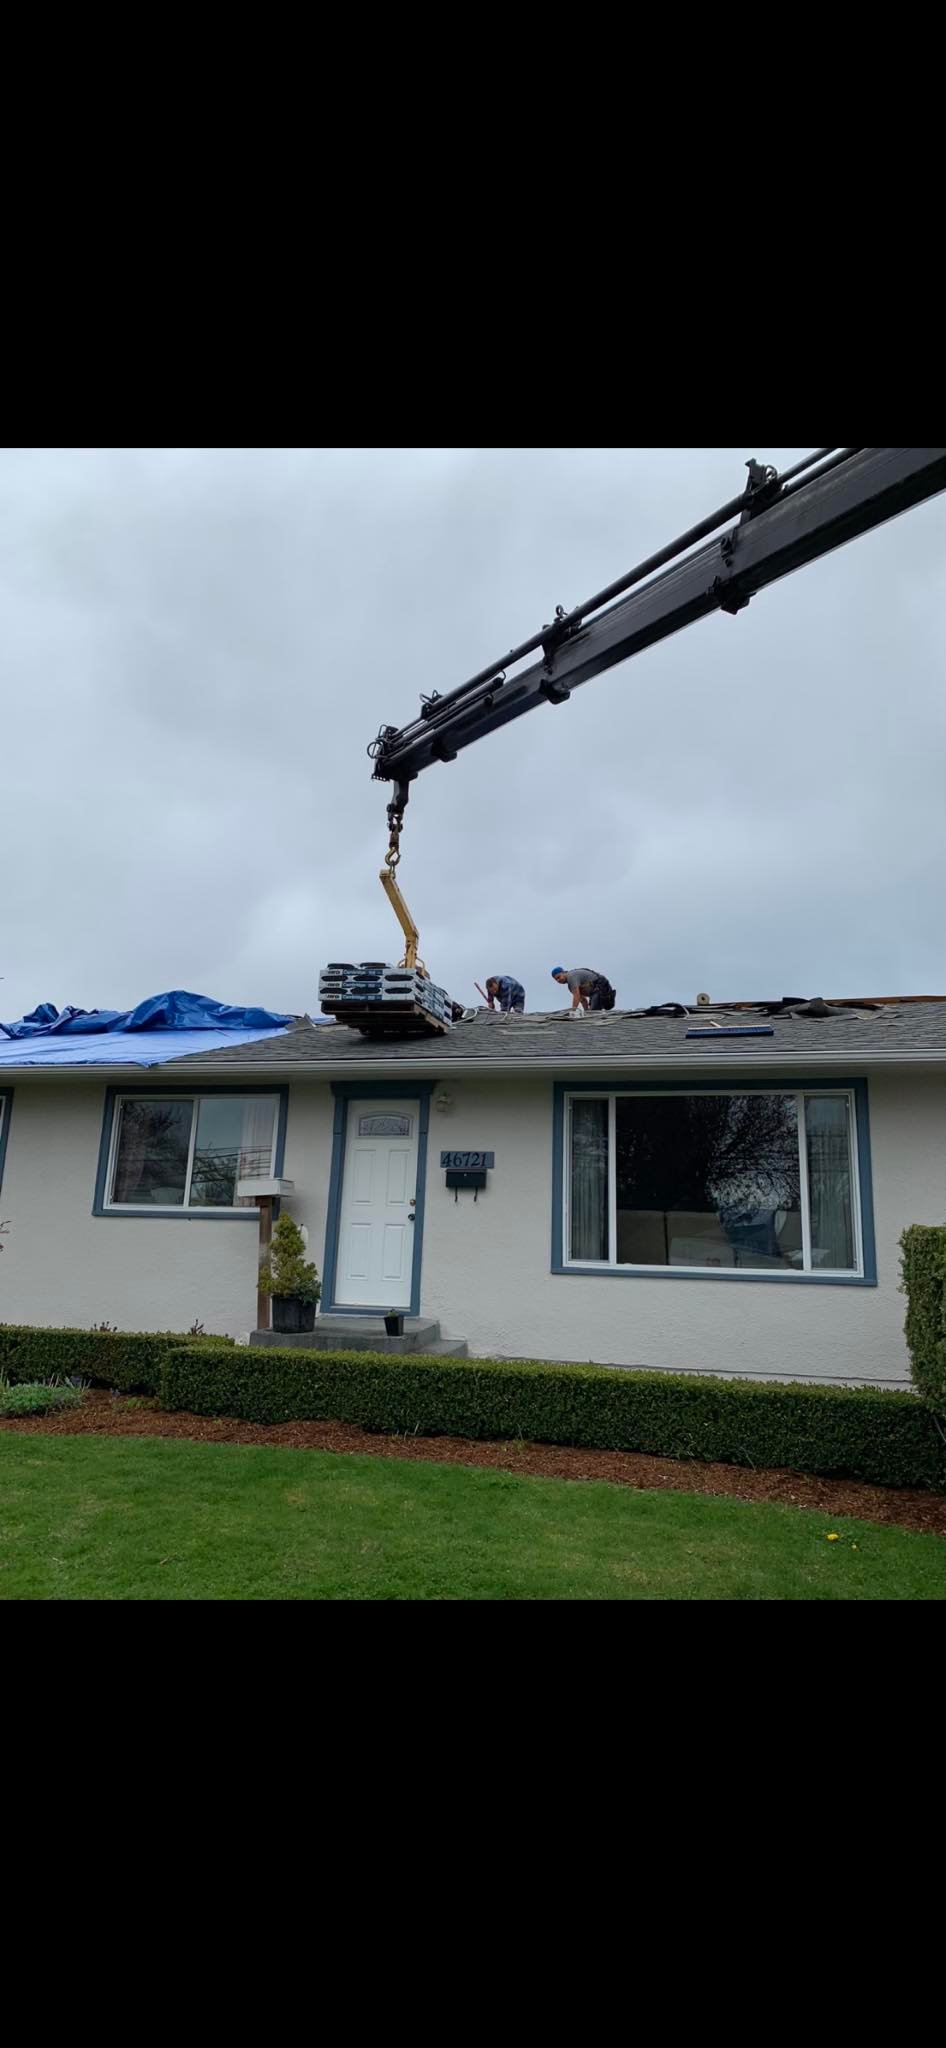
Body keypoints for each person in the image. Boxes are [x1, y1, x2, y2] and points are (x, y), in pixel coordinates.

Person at [551, 966, 616, 1013]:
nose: (558, 980)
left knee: (594, 1014)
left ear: (563, 972)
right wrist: (586, 1013)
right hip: (596, 992)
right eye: (556, 979)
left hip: (601, 986)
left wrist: (572, 1012)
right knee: (591, 1014)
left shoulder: (571, 976)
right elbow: (583, 1000)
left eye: (559, 977)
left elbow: (576, 996)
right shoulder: (571, 987)